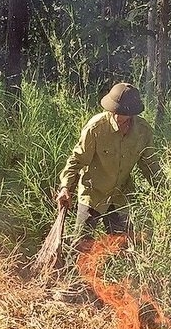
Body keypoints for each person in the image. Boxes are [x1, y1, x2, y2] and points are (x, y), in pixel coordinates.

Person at [56, 81, 161, 261]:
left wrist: (166, 192)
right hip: (93, 194)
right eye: (114, 111)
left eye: (123, 113)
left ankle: (115, 284)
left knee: (122, 247)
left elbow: (150, 165)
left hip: (120, 196)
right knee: (82, 246)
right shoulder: (96, 128)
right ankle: (73, 284)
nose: (117, 116)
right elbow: (77, 159)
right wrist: (65, 187)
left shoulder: (143, 132)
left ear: (132, 113)